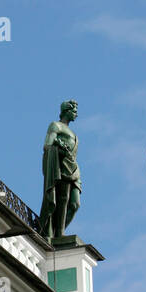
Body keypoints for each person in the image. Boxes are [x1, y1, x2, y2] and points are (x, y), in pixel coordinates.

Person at [38, 100, 81, 241]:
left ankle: (59, 229)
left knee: (74, 204)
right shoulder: (55, 126)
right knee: (63, 199)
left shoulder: (73, 133)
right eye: (74, 111)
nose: (76, 114)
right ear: (66, 111)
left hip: (73, 169)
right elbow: (47, 145)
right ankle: (58, 234)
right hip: (61, 167)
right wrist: (59, 149)